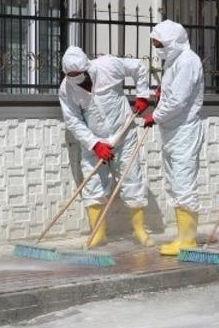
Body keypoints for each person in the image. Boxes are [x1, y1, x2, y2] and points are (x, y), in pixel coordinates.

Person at [58, 46, 153, 247]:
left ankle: (139, 231)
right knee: (92, 184)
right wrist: (94, 144)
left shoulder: (108, 65)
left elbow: (139, 68)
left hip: (124, 134)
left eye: (79, 74)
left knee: (132, 179)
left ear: (86, 67)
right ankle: (98, 234)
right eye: (71, 75)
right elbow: (73, 120)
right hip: (95, 141)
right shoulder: (66, 89)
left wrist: (143, 95)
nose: (77, 79)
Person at [143, 20, 205, 256]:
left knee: (183, 183)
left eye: (160, 44)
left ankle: (188, 240)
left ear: (172, 41)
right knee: (174, 183)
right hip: (173, 132)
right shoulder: (174, 60)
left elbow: (179, 100)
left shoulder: (188, 61)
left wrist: (155, 116)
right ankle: (182, 237)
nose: (157, 48)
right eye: (155, 44)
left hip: (184, 131)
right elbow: (173, 91)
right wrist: (160, 93)